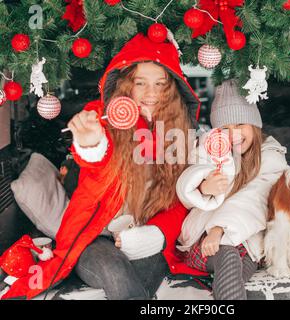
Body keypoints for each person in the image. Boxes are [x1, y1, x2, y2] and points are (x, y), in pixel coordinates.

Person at [1, 33, 206, 300]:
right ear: (125, 85)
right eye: (140, 83)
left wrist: (156, 234)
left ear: (172, 88)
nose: (152, 94)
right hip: (96, 235)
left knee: (143, 280)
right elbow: (95, 166)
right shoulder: (105, 117)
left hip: (148, 234)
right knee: (116, 274)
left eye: (160, 84)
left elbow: (182, 197)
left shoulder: (180, 132)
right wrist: (91, 144)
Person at [176, 79, 288, 300]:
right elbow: (183, 189)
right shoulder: (210, 150)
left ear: (255, 125)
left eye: (239, 125)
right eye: (224, 129)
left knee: (239, 264)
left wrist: (220, 228)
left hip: (246, 243)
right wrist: (202, 185)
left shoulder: (271, 159)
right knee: (227, 254)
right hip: (203, 240)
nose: (233, 134)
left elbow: (255, 198)